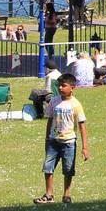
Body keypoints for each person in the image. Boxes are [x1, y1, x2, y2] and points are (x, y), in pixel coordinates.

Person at [36, 73, 88, 204]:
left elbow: (82, 126)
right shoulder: (54, 101)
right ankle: (49, 195)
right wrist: (47, 137)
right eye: (59, 85)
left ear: (72, 87)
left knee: (68, 169)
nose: (60, 88)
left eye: (64, 86)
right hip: (53, 141)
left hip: (69, 142)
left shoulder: (76, 104)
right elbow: (50, 120)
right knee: (48, 167)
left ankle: (67, 194)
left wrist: (85, 148)